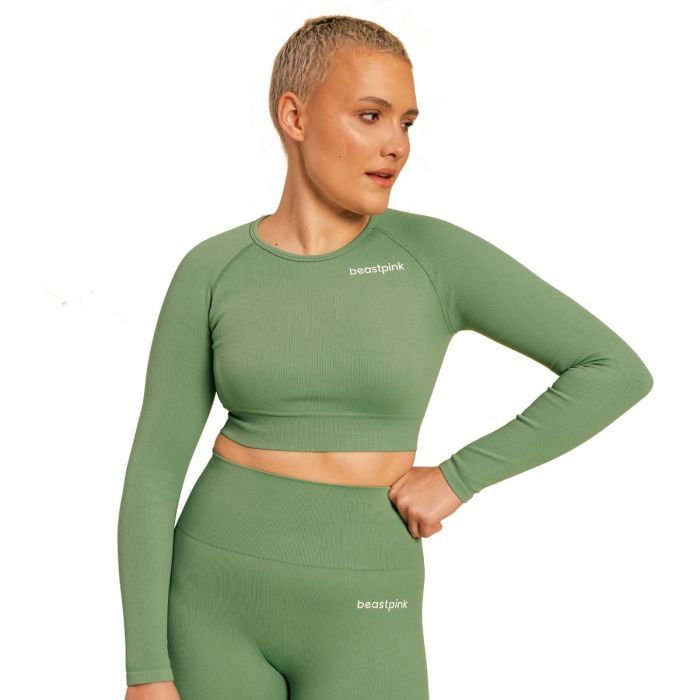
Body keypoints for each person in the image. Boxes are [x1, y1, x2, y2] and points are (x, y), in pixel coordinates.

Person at [117, 14, 653, 700]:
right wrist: (146, 669)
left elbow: (612, 369)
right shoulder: (213, 268)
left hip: (370, 602)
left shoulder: (434, 258)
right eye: (370, 116)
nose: (395, 144)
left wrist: (459, 477)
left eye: (406, 122)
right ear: (294, 116)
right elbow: (155, 471)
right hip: (212, 595)